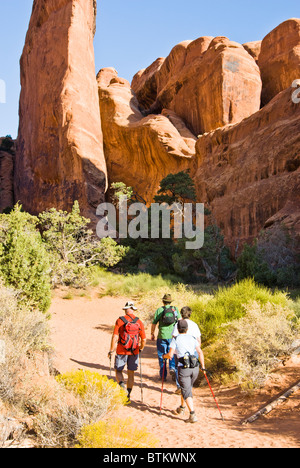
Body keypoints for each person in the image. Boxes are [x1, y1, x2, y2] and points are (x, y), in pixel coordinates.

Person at [163, 319, 205, 423]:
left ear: (177, 329)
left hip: (183, 368)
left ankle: (192, 414)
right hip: (194, 368)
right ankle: (182, 408)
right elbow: (200, 352)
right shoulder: (192, 338)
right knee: (186, 387)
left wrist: (164, 356)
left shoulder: (176, 339)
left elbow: (170, 355)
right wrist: (203, 367)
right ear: (187, 329)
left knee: (186, 390)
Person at [108, 301, 146, 402]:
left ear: (125, 309)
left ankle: (122, 386)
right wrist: (141, 348)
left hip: (121, 350)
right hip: (134, 351)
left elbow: (115, 336)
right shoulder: (139, 322)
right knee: (131, 373)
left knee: (118, 370)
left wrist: (111, 350)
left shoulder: (120, 321)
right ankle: (128, 394)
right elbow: (144, 339)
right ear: (133, 309)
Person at [151, 294, 181, 393]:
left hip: (162, 335)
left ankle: (163, 376)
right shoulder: (175, 309)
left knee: (162, 355)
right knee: (173, 354)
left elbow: (154, 323)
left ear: (163, 301)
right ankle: (172, 368)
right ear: (170, 301)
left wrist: (152, 333)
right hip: (173, 336)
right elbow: (180, 321)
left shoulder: (159, 310)